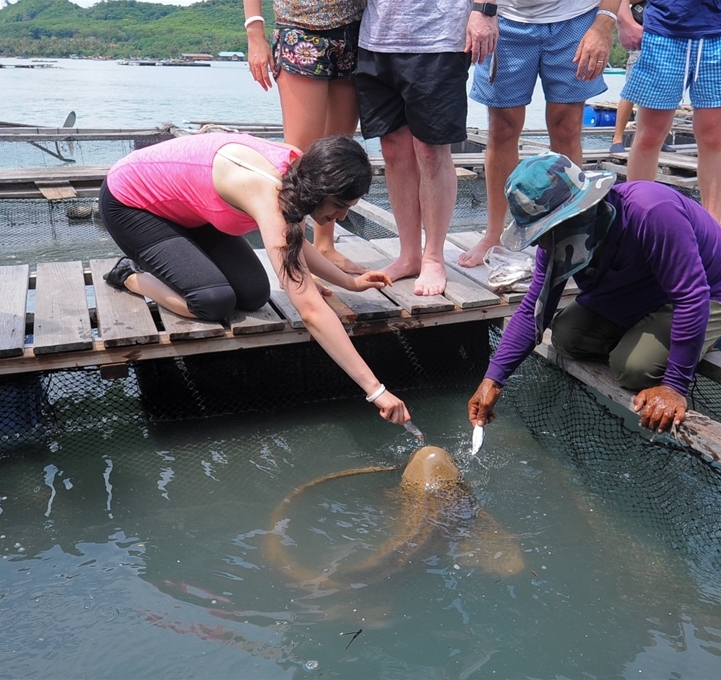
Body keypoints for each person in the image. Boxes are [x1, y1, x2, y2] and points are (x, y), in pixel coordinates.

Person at [98, 132, 411, 425]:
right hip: (131, 204)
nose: (341, 217)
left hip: (189, 210)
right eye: (339, 206)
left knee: (254, 293)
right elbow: (311, 311)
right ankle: (129, 274)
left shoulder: (303, 173)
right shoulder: (270, 191)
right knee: (212, 301)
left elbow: (294, 243)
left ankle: (176, 259)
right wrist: (375, 389)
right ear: (320, 191)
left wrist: (350, 281)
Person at [467, 152, 721, 433]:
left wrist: (674, 386)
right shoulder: (553, 243)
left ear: (578, 212)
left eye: (545, 232)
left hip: (710, 292)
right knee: (567, 335)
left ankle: (687, 345)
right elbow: (532, 310)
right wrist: (493, 378)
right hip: (638, 290)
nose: (542, 244)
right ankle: (650, 338)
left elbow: (691, 298)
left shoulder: (652, 212)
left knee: (635, 368)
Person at [458, 0, 618, 268]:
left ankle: (570, 230)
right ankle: (494, 233)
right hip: (507, 16)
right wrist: (483, 10)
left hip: (575, 16)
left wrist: (604, 24)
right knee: (502, 127)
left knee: (567, 125)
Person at [354, 0, 499, 295]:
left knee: (432, 151)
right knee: (393, 149)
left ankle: (433, 255)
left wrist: (486, 10)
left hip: (440, 38)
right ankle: (409, 255)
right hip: (377, 37)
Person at [620, 0, 721, 222]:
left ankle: (713, 228)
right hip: (663, 29)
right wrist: (624, 18)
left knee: (713, 133)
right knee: (649, 135)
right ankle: (635, 223)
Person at [244, 0, 367, 275]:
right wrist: (255, 34)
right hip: (300, 28)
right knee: (298, 158)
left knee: (338, 156)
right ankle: (294, 254)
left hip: (354, 28)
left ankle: (325, 246)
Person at [608, 0, 674, 156]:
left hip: (666, 47)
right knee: (630, 93)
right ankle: (617, 139)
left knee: (663, 95)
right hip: (641, 47)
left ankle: (659, 139)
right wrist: (627, 24)